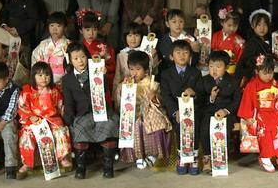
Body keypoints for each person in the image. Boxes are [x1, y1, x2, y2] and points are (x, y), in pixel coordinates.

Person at [62, 43, 119, 179]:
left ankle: (108, 166)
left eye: (82, 57)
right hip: (82, 114)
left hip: (101, 111)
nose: (80, 61)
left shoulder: (96, 70)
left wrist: (103, 76)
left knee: (109, 124)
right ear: (70, 60)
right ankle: (81, 167)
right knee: (80, 127)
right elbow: (69, 102)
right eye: (75, 58)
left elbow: (105, 90)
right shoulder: (67, 79)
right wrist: (67, 121)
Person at [237, 53, 278, 172]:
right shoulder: (252, 85)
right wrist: (248, 117)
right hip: (259, 113)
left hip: (274, 112)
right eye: (265, 73)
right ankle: (265, 156)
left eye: (271, 72)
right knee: (265, 129)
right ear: (257, 71)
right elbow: (247, 102)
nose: (268, 76)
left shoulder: (276, 84)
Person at [116, 50, 172, 169]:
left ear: (145, 70)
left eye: (138, 69)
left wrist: (154, 96)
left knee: (152, 124)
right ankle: (139, 156)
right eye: (131, 69)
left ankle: (152, 154)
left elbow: (160, 102)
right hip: (132, 112)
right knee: (132, 125)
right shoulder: (128, 82)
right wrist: (123, 88)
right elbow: (122, 100)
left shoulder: (151, 83)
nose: (134, 72)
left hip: (149, 112)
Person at [17, 62, 72, 179]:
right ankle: (26, 164)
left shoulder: (55, 90)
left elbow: (60, 106)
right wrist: (31, 117)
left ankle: (63, 158)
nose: (44, 78)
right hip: (34, 121)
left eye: (47, 75)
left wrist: (66, 116)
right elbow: (22, 107)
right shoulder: (27, 91)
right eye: (40, 75)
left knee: (61, 131)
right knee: (26, 135)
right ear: (33, 76)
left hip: (52, 120)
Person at [160, 40, 204, 175]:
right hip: (175, 111)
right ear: (171, 56)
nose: (182, 56)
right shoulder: (166, 74)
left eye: (185, 52)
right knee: (181, 124)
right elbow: (166, 97)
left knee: (194, 121)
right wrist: (175, 112)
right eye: (178, 53)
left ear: (190, 55)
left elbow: (202, 94)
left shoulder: (195, 72)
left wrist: (195, 93)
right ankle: (183, 157)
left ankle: (194, 156)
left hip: (193, 110)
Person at [197, 51, 240, 174]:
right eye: (211, 66)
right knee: (205, 129)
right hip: (209, 112)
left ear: (226, 67)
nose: (214, 70)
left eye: (218, 66)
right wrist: (211, 98)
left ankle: (220, 159)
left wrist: (226, 111)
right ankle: (207, 158)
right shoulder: (204, 80)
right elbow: (199, 100)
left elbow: (237, 99)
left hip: (226, 113)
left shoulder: (233, 80)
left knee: (223, 131)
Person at [0, 0, 38, 68]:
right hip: (8, 35)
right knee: (8, 61)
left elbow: (32, 19)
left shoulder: (29, 1)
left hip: (23, 37)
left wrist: (18, 30)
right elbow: (4, 13)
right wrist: (4, 25)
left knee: (22, 62)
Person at [77, 10, 116, 103]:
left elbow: (112, 67)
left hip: (100, 83)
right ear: (81, 31)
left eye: (94, 29)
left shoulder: (103, 47)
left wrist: (106, 57)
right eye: (87, 30)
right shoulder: (78, 48)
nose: (91, 33)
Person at [31, 11, 71, 84]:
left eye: (58, 26)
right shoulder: (43, 44)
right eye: (52, 25)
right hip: (44, 81)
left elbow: (71, 65)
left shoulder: (69, 45)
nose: (54, 29)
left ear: (65, 27)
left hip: (63, 82)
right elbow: (35, 60)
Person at [113, 23, 154, 95]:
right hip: (126, 90)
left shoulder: (146, 53)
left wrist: (153, 57)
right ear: (125, 37)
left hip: (143, 89)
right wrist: (115, 95)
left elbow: (152, 72)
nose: (133, 39)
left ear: (141, 37)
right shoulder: (121, 55)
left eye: (136, 35)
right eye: (130, 35)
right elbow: (117, 77)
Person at [156, 9, 200, 75]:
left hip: (188, 74)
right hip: (168, 75)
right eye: (174, 22)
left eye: (181, 21)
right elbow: (162, 63)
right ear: (167, 24)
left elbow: (194, 63)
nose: (178, 25)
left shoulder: (190, 38)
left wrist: (196, 52)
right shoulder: (161, 41)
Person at [236, 9, 272, 86]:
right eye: (259, 25)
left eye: (265, 25)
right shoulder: (251, 43)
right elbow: (246, 61)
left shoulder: (271, 40)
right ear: (252, 25)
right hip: (255, 76)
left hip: (268, 75)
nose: (262, 28)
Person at [211, 5, 245, 75]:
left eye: (235, 26)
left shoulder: (239, 40)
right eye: (229, 25)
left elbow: (240, 60)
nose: (232, 29)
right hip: (215, 70)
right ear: (222, 23)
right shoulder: (215, 36)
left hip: (231, 72)